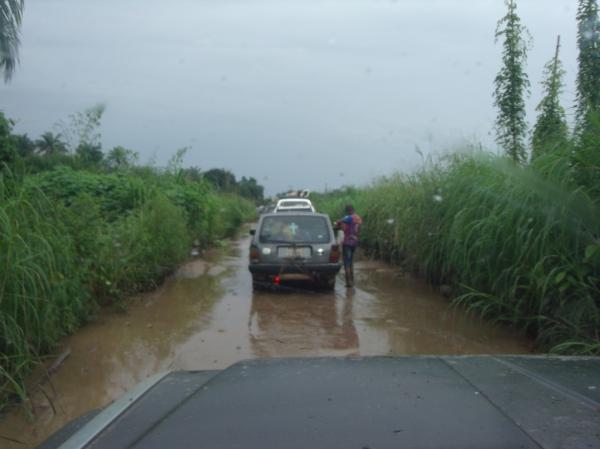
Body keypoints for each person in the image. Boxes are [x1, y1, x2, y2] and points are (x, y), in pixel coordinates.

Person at [335, 205, 362, 288]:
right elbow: (359, 231)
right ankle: (352, 280)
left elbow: (339, 223)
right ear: (353, 210)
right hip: (355, 242)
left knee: (346, 262)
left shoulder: (348, 218)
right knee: (351, 261)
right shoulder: (358, 218)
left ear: (348, 211)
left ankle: (348, 282)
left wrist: (338, 223)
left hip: (347, 242)